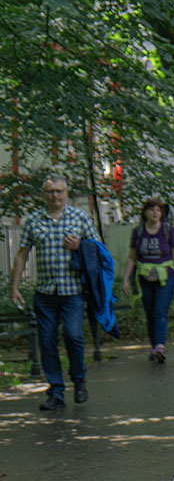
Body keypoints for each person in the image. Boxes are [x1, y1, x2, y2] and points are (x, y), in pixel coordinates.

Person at [9, 173, 98, 410]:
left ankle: (79, 381)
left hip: (73, 292)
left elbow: (99, 249)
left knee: (73, 335)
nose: (55, 195)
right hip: (45, 293)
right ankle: (56, 392)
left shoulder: (80, 217)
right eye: (50, 191)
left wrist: (81, 245)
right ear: (43, 194)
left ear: (66, 192)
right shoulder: (34, 220)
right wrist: (15, 286)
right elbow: (21, 254)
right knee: (47, 342)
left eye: (59, 191)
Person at [122, 197, 174, 363]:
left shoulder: (167, 230)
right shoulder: (138, 232)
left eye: (158, 210)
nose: (155, 213)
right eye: (151, 210)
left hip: (165, 277)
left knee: (160, 311)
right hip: (144, 276)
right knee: (150, 313)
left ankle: (160, 346)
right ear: (145, 212)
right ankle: (154, 347)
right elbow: (131, 257)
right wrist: (125, 279)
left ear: (162, 213)